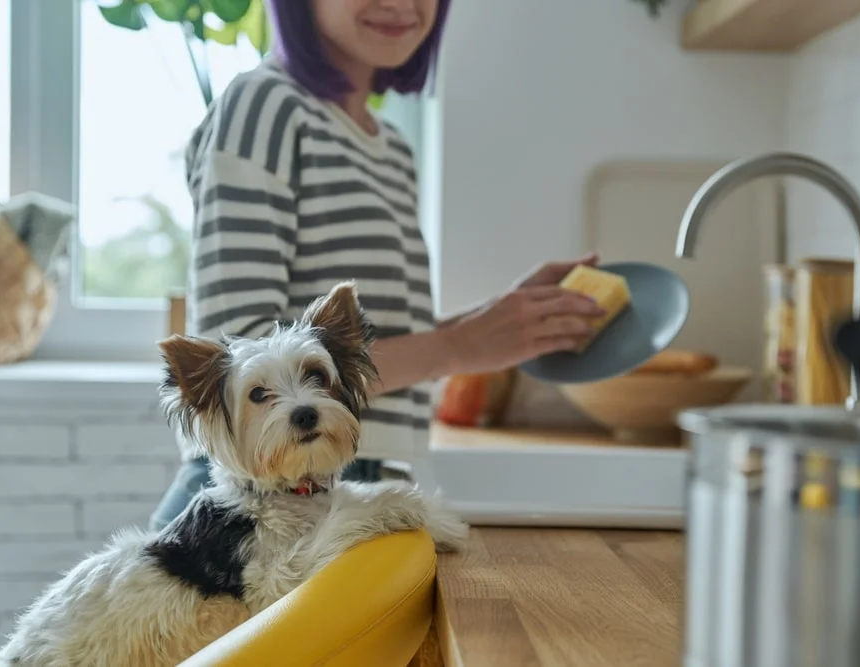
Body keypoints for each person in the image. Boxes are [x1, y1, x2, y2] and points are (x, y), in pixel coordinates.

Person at [149, 0, 604, 531]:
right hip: (262, 502)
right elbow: (239, 355)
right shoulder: (265, 106)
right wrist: (460, 344)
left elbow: (354, 350)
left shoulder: (390, 149)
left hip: (341, 484)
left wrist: (500, 322)